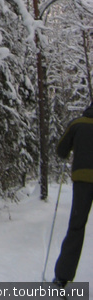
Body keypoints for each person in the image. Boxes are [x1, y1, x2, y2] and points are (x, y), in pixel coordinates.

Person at [53, 101, 93, 286]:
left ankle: (62, 277)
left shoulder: (77, 124)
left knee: (76, 227)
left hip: (82, 181)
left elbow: (61, 151)